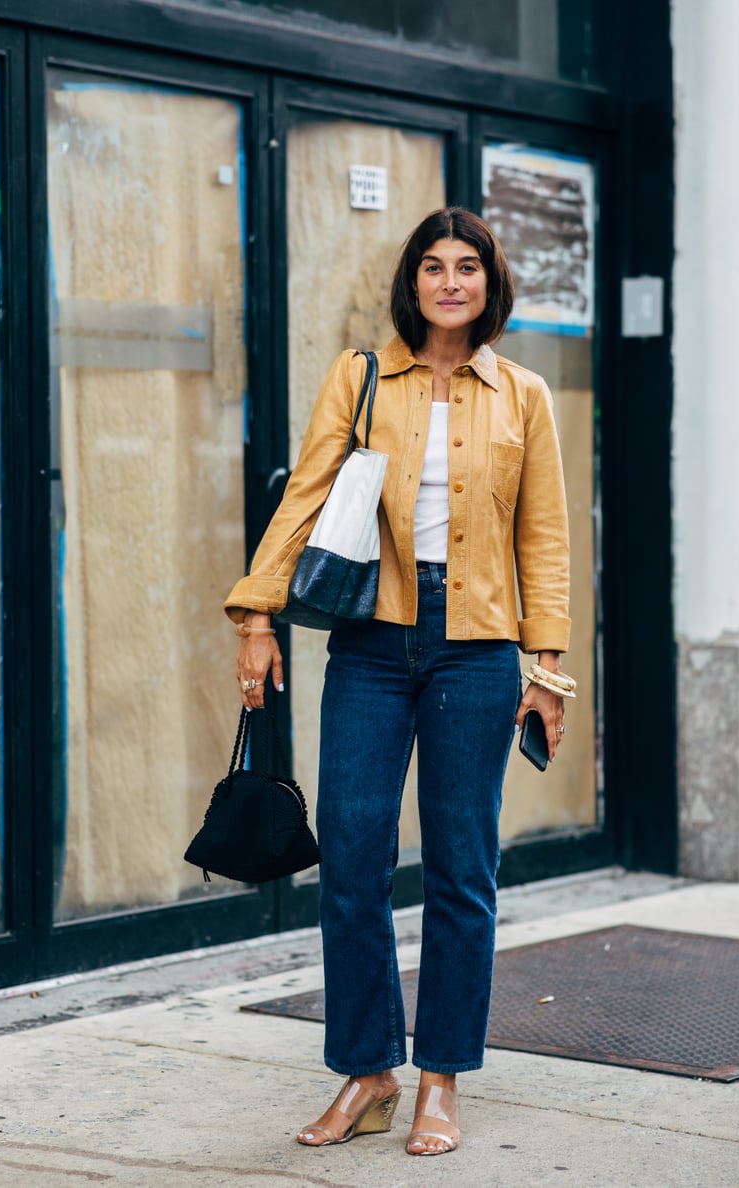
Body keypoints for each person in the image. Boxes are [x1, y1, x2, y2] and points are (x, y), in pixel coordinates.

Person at [223, 207, 574, 1157]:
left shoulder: (525, 395)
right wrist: (257, 617)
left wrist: (548, 670)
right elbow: (303, 497)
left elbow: (543, 537)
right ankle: (369, 1069)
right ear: (411, 283)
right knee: (353, 856)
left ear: (489, 283)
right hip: (374, 643)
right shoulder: (362, 377)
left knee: (464, 869)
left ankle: (441, 1078)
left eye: (468, 267)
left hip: (479, 649)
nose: (450, 281)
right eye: (432, 266)